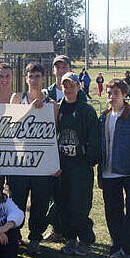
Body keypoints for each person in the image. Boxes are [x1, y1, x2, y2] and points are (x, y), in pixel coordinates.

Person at [9, 62, 58, 255]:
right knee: (17, 201)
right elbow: (10, 124)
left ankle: (35, 237)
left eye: (38, 76)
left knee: (40, 202)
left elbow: (53, 134)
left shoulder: (51, 104)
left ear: (43, 79)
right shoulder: (16, 98)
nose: (34, 79)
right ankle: (15, 236)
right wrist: (29, 109)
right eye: (31, 76)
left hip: (40, 162)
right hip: (19, 161)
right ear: (26, 78)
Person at [98, 79, 130, 258]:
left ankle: (129, 248)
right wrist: (100, 173)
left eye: (116, 93)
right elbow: (101, 148)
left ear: (125, 95)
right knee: (112, 210)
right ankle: (116, 245)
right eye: (109, 93)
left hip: (129, 173)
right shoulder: (103, 117)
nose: (112, 97)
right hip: (109, 173)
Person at [42, 55, 87, 243]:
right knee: (54, 194)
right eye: (57, 67)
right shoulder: (47, 92)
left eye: (64, 67)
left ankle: (73, 232)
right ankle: (56, 229)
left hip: (73, 154)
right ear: (53, 71)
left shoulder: (80, 94)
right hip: (50, 151)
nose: (60, 70)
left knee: (73, 195)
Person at [57, 72, 100, 256]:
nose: (68, 88)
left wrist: (89, 159)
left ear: (78, 86)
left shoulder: (86, 110)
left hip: (80, 166)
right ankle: (70, 238)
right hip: (62, 164)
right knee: (63, 202)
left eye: (72, 85)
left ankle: (86, 240)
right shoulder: (56, 109)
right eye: (65, 85)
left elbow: (95, 138)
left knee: (80, 204)